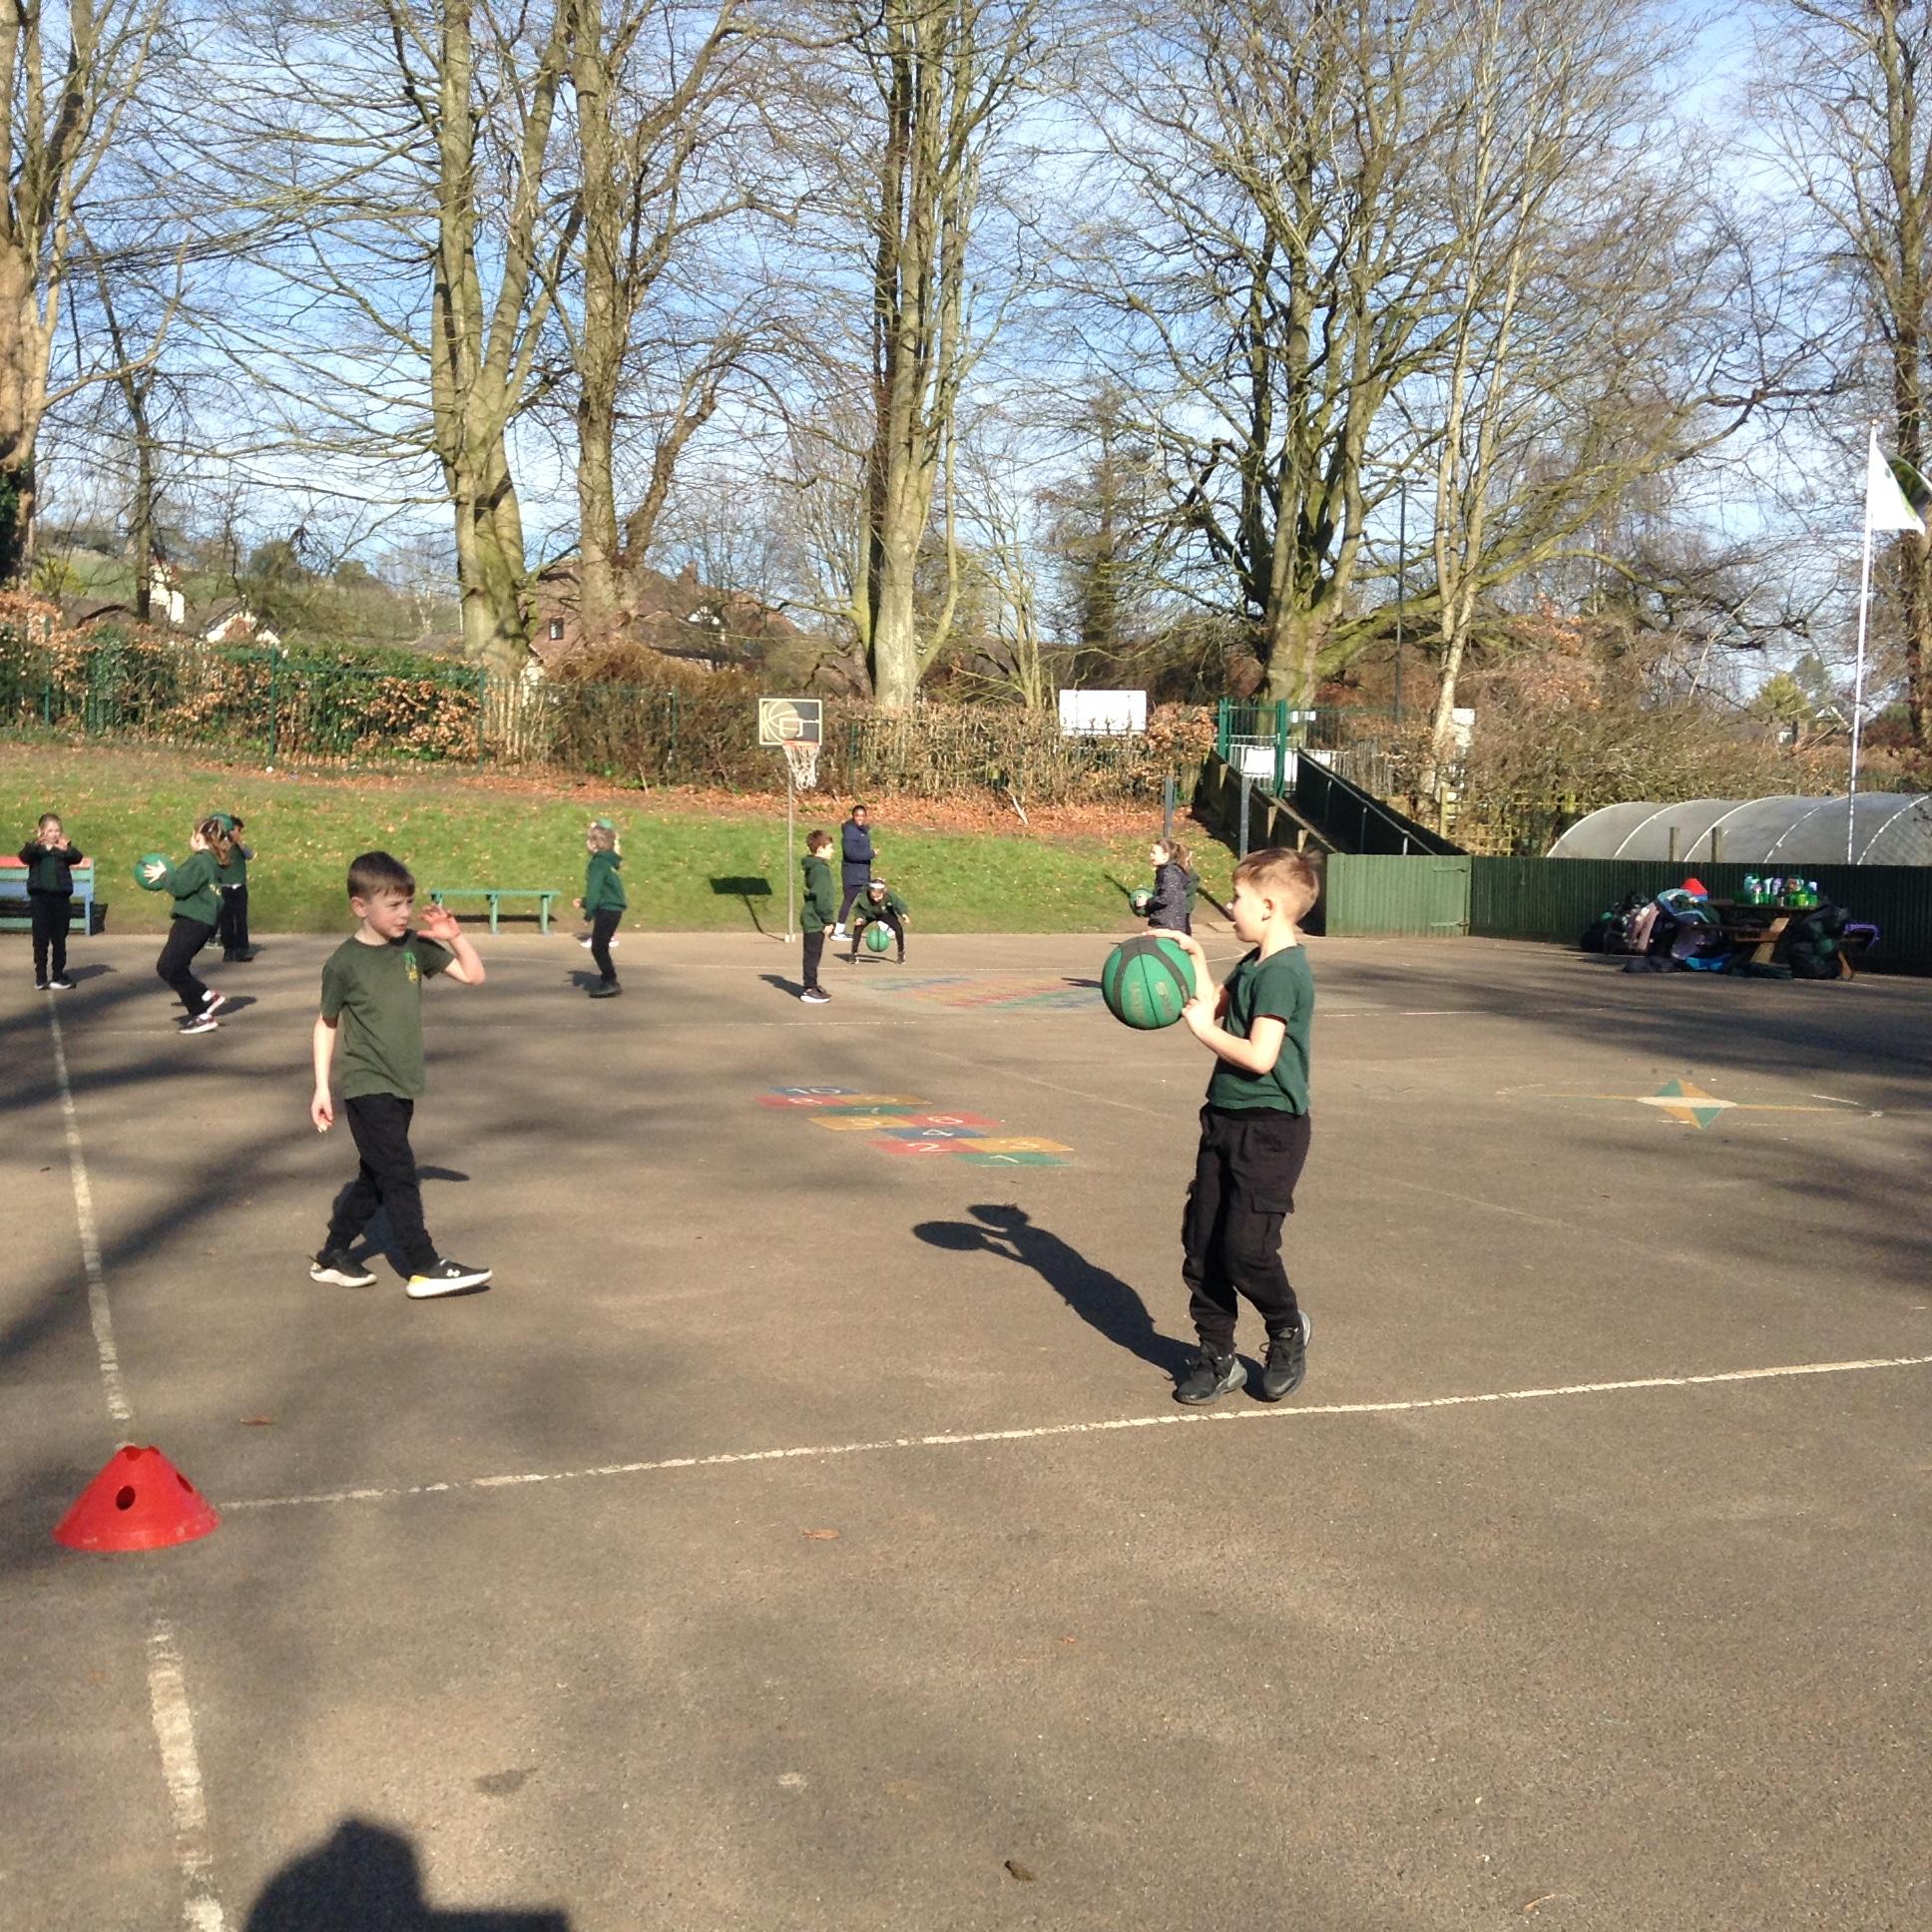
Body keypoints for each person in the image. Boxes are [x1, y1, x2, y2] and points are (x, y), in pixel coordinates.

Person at [1154, 846, 1318, 1406]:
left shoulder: (1284, 974)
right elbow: (1213, 1002)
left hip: (1269, 1131)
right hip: (1223, 1118)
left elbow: (1260, 1056)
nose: (1229, 906)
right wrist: (1195, 956)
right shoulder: (1254, 963)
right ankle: (1217, 1357)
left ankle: (1287, 1328)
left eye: (1238, 897)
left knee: (1247, 1251)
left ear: (1268, 906)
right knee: (1202, 1246)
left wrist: (1203, 1031)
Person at [308, 849, 492, 1298]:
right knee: (400, 1172)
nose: (404, 913)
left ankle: (332, 1254)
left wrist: (455, 937)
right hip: (367, 1085)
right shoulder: (343, 964)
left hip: (402, 1083)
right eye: (393, 905)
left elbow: (474, 976)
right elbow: (326, 1023)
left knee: (376, 1177)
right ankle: (424, 1265)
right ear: (360, 906)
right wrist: (321, 1088)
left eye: (408, 902)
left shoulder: (414, 947)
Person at [142, 819, 233, 1033]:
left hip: (192, 921)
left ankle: (202, 1013)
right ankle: (205, 998)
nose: (190, 838)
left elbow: (180, 886)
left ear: (199, 838)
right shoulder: (212, 863)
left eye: (192, 834)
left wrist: (163, 876)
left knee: (168, 967)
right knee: (176, 966)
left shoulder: (199, 862)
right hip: (202, 923)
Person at [19, 812, 82, 991]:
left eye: (57, 830)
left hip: (60, 900)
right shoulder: (36, 851)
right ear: (41, 831)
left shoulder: (62, 851)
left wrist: (67, 848)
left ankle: (58, 975)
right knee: (40, 938)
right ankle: (40, 977)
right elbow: (24, 856)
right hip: (40, 900)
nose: (54, 834)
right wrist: (35, 844)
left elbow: (77, 857)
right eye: (50, 830)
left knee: (59, 938)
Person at [574, 820, 626, 998]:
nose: (586, 844)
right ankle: (608, 979)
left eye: (588, 840)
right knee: (601, 945)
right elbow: (605, 890)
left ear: (595, 844)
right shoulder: (609, 862)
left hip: (607, 909)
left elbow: (594, 890)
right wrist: (585, 901)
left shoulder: (597, 863)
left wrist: (588, 914)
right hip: (613, 908)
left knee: (598, 947)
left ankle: (610, 981)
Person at [215, 812, 256, 961]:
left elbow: (250, 855)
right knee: (226, 920)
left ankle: (242, 949)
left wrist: (239, 842)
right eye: (235, 830)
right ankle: (229, 949)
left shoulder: (240, 846)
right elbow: (219, 859)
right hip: (225, 887)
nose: (237, 833)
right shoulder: (221, 845)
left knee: (241, 919)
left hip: (239, 887)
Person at [800, 829, 836, 1003]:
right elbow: (822, 897)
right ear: (820, 849)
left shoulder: (816, 867)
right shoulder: (820, 870)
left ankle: (812, 984)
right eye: (830, 847)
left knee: (814, 954)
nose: (833, 851)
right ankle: (809, 988)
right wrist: (828, 920)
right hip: (814, 918)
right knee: (812, 955)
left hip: (813, 916)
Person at [835, 802, 874, 937]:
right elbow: (851, 854)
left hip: (861, 873)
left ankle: (884, 925)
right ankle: (838, 930)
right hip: (852, 874)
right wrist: (871, 854)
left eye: (862, 816)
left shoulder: (862, 832)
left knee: (870, 898)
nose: (860, 818)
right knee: (852, 900)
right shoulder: (850, 832)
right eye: (857, 815)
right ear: (853, 816)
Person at [846, 878, 909, 962]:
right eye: (873, 896)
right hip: (867, 914)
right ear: (869, 891)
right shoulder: (862, 897)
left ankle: (901, 953)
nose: (876, 899)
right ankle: (853, 953)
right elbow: (857, 908)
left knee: (898, 928)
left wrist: (903, 914)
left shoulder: (889, 896)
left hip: (884, 913)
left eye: (878, 897)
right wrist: (859, 917)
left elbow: (899, 904)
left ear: (884, 892)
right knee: (857, 929)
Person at [1144, 836, 1193, 936]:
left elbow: (1165, 897)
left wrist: (1147, 901)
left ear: (1165, 856)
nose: (1150, 855)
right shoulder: (1167, 871)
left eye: (1154, 853)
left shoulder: (1169, 873)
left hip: (1167, 924)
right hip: (1167, 923)